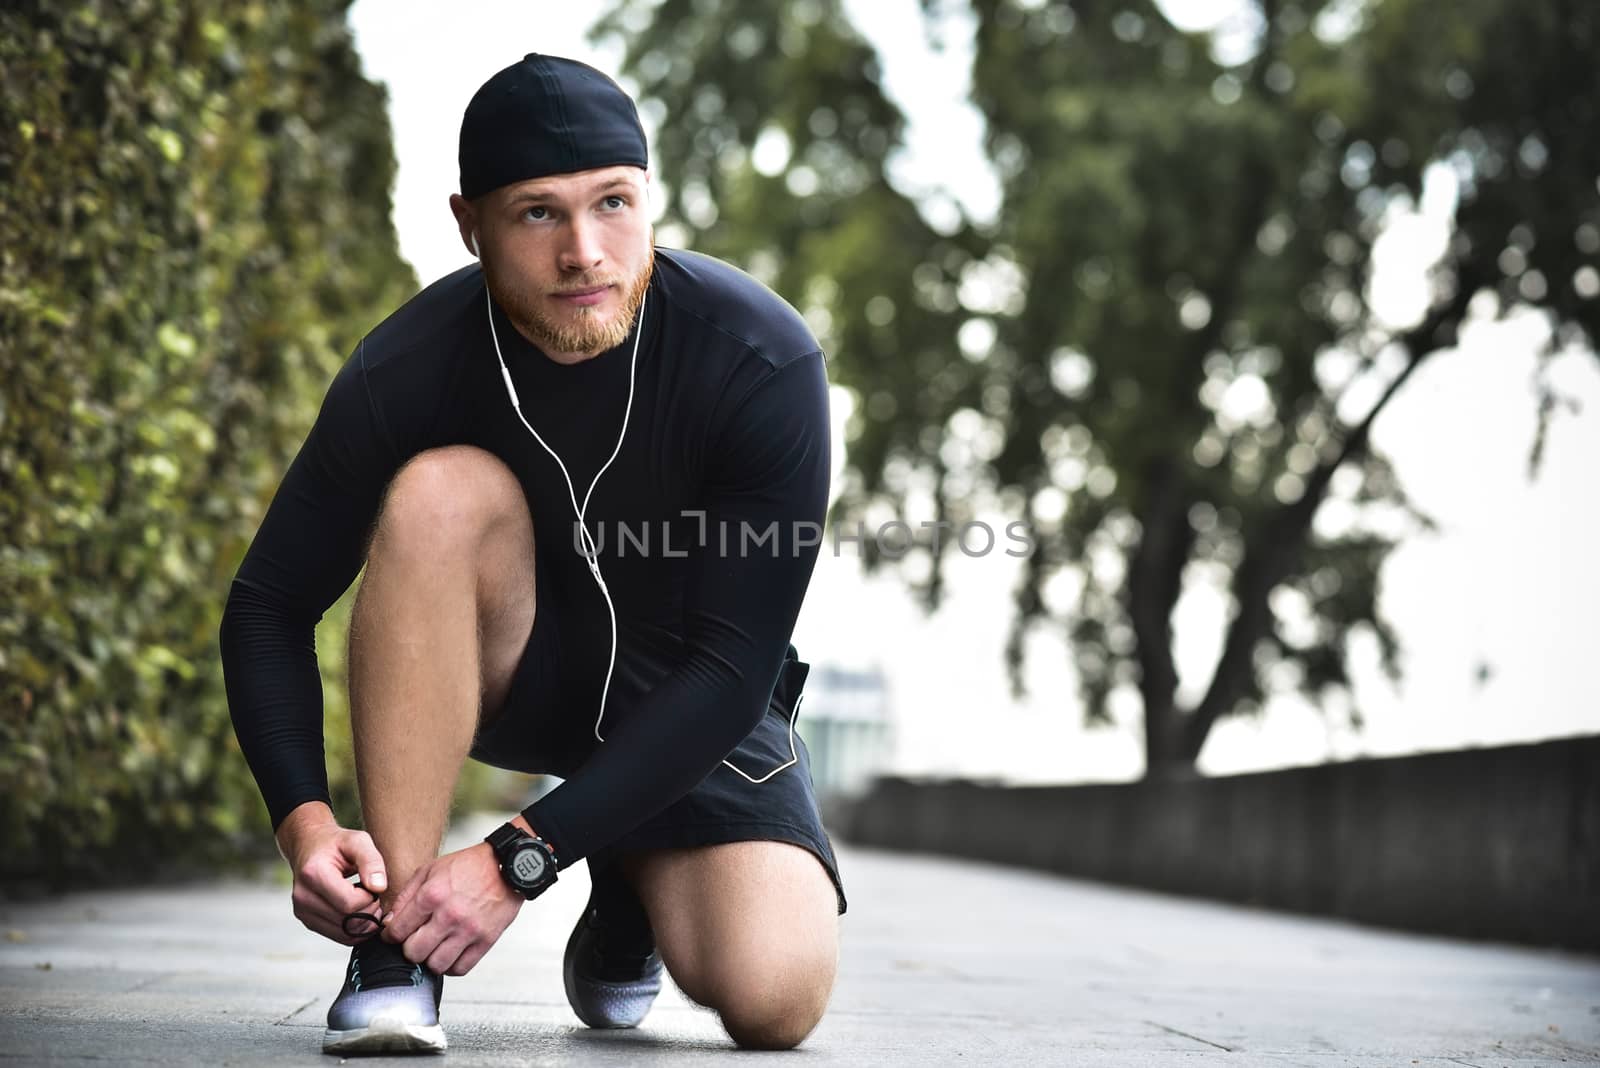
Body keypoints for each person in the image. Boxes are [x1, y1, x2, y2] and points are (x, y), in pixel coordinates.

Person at [219, 53, 844, 1056]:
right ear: (470, 225)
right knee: (440, 490)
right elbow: (269, 604)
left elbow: (731, 672)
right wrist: (303, 822)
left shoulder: (757, 358)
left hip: (691, 692)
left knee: (773, 1000)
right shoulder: (409, 364)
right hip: (517, 669)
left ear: (650, 198)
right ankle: (395, 950)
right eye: (538, 214)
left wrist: (524, 857)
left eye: (613, 203)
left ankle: (623, 889)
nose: (586, 252)